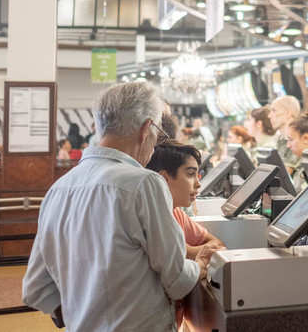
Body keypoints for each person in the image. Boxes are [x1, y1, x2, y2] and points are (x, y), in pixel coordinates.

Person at [23, 82, 217, 332]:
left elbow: (35, 288)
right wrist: (200, 264)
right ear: (146, 129)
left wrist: (80, 310)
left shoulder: (59, 188)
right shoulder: (144, 184)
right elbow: (178, 281)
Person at [146, 141, 226, 330]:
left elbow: (217, 244)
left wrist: (188, 251)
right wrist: (194, 252)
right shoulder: (151, 218)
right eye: (190, 174)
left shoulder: (177, 213)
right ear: (164, 179)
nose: (198, 184)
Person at [268, 95, 301, 173]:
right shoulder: (281, 139)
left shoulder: (298, 139)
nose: (269, 116)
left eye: (274, 110)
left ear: (288, 113)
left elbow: (283, 175)